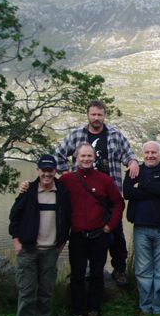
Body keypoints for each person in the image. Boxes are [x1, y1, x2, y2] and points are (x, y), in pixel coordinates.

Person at [54, 99, 137, 287]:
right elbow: (58, 154)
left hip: (109, 191)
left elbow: (128, 154)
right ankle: (80, 270)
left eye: (100, 114)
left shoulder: (115, 135)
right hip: (83, 194)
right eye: (93, 114)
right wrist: (65, 174)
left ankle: (119, 269)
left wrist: (132, 162)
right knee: (80, 232)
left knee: (116, 233)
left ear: (104, 116)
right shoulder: (76, 135)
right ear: (88, 115)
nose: (96, 118)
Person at [59, 143, 125, 316]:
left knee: (97, 274)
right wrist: (26, 186)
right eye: (83, 156)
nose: (86, 159)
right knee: (77, 275)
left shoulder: (104, 180)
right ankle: (77, 312)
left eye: (89, 156)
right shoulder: (67, 179)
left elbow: (118, 203)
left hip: (99, 235)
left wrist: (110, 226)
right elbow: (47, 187)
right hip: (78, 235)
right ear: (76, 158)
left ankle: (94, 310)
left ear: (94, 157)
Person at [8, 155, 71, 316]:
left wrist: (62, 242)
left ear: (55, 171)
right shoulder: (28, 190)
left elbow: (67, 219)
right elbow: (14, 216)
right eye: (43, 170)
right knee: (27, 290)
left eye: (50, 170)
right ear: (38, 170)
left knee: (46, 290)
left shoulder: (63, 192)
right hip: (28, 249)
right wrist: (16, 240)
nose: (47, 174)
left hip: (51, 250)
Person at [123, 141, 160, 316]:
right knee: (143, 270)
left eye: (154, 152)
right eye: (147, 152)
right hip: (141, 228)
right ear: (142, 154)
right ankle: (145, 308)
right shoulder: (133, 170)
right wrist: (154, 188)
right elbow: (128, 193)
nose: (150, 155)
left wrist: (141, 185)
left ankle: (159, 308)